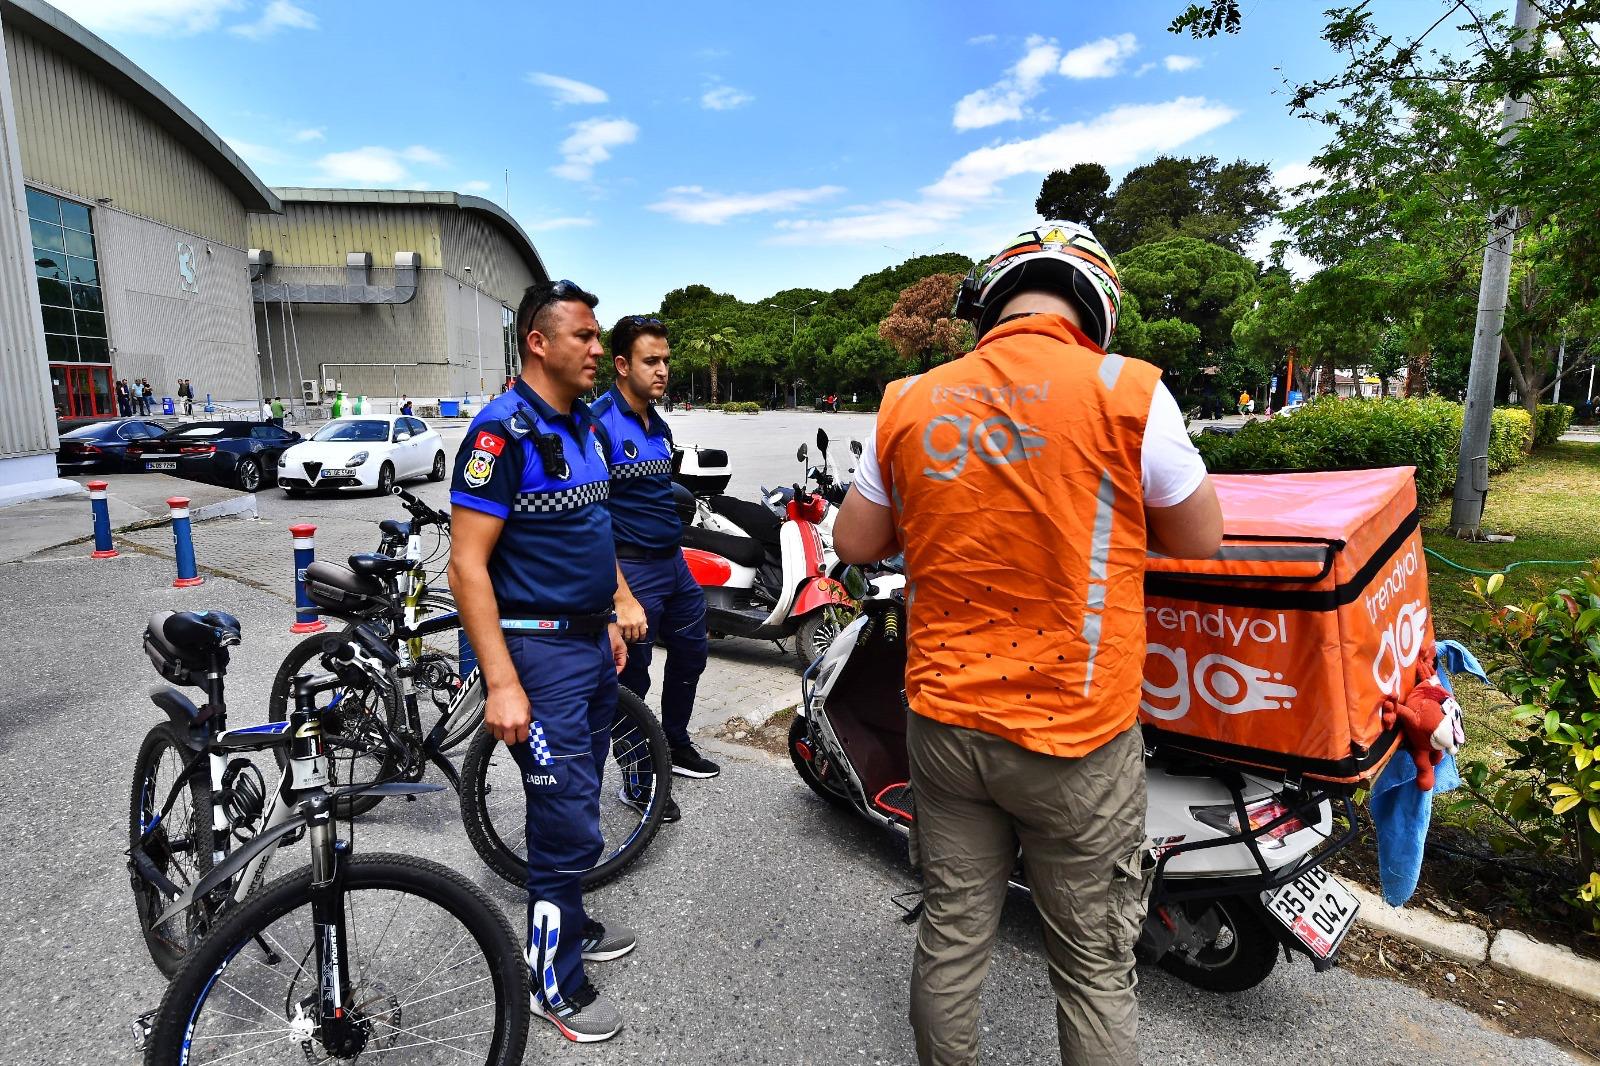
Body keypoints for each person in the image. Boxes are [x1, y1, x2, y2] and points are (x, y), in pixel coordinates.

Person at [833, 220, 1223, 1066]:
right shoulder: (1128, 391)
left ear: (992, 300)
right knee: (1091, 970)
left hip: (945, 726)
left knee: (951, 935)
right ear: (1097, 305)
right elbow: (1201, 537)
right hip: (1075, 737)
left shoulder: (912, 398)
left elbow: (856, 543)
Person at [447, 280, 641, 1044]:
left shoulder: (583, 425)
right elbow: (467, 566)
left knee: (578, 798)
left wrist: (616, 607)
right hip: (535, 652)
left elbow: (594, 529)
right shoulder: (502, 435)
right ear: (539, 342)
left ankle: (569, 921)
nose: (599, 350)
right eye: (586, 337)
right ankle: (551, 983)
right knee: (563, 817)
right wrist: (500, 680)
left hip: (589, 642)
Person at [592, 315, 717, 824]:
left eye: (666, 360)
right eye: (651, 361)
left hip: (674, 566)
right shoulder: (599, 422)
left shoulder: (658, 425)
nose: (663, 370)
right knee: (633, 678)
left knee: (692, 654)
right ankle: (638, 780)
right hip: (631, 570)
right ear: (621, 365)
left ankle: (674, 744)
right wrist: (619, 594)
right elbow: (592, 518)